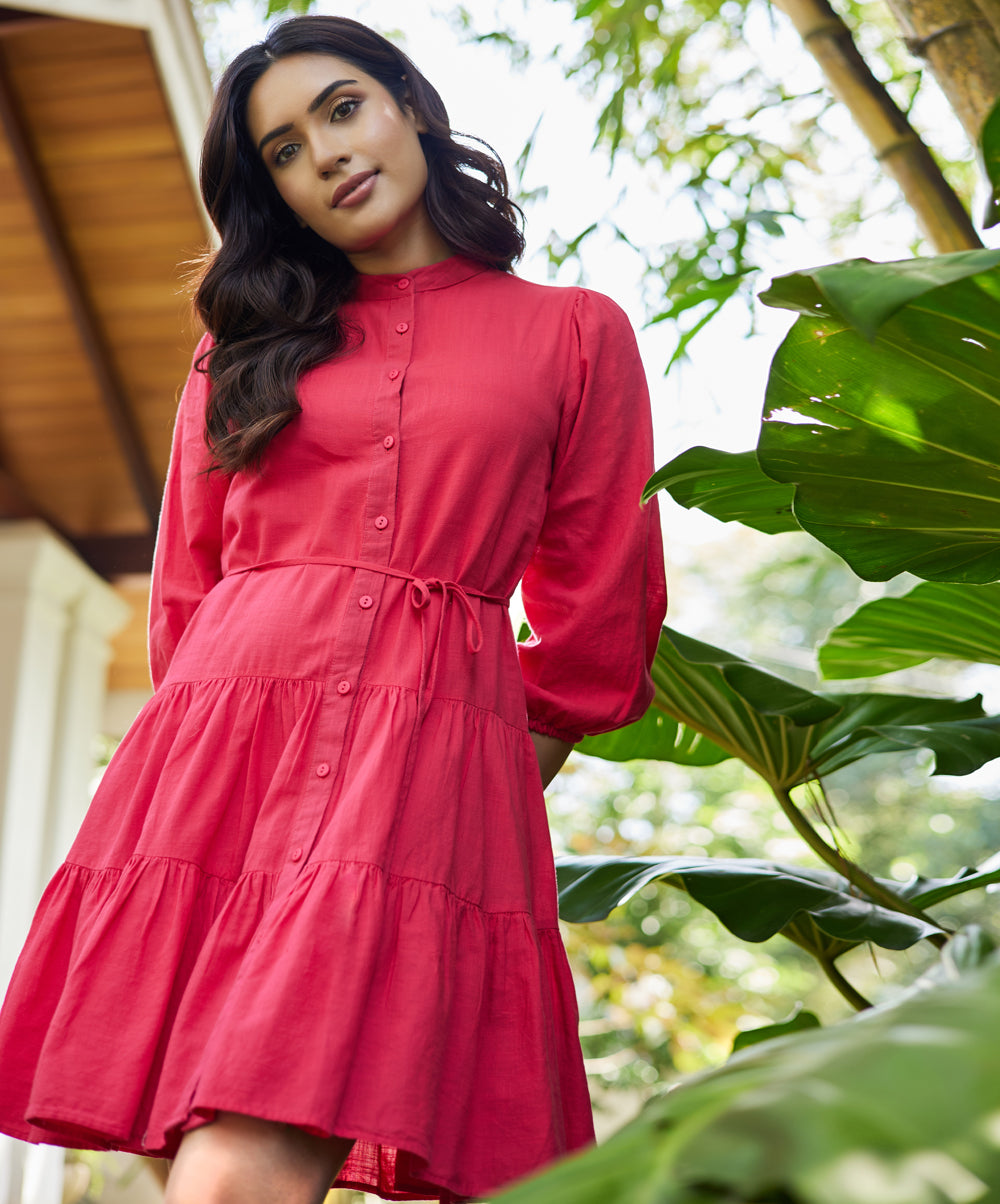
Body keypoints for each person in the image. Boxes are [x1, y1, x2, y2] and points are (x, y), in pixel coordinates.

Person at [0, 14, 666, 1204]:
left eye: (344, 107)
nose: (329, 153)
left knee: (238, 1164)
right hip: (218, 755)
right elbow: (188, 595)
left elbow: (599, 612)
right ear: (276, 195)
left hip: (426, 762)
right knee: (204, 1158)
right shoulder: (241, 349)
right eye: (285, 149)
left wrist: (462, 777)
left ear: (408, 102)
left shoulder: (574, 333)